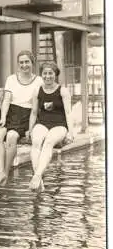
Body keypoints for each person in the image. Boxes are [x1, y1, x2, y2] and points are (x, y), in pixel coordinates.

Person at [0, 50, 43, 187]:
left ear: (32, 63)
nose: (24, 65)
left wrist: (31, 129)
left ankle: (6, 173)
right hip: (11, 113)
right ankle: (0, 172)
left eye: (27, 62)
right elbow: (7, 100)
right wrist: (3, 118)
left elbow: (36, 108)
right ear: (18, 64)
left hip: (26, 115)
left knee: (12, 136)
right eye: (21, 62)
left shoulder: (39, 80)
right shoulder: (11, 79)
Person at [28, 62, 74, 191]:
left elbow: (68, 113)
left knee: (48, 142)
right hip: (42, 123)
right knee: (36, 141)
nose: (47, 76)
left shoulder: (63, 91)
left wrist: (71, 132)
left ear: (55, 75)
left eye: (50, 73)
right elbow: (34, 112)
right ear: (41, 74)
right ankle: (39, 179)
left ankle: (37, 175)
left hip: (59, 125)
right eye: (45, 73)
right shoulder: (37, 90)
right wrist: (30, 129)